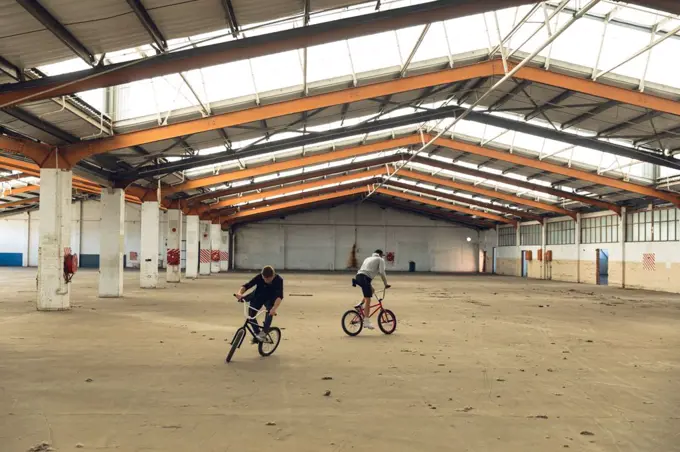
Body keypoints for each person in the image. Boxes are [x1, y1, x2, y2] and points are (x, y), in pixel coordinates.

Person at [235, 265, 283, 343]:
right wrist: (239, 293)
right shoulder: (259, 277)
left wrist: (274, 308)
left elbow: (279, 296)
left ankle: (264, 333)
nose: (266, 281)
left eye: (269, 279)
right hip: (258, 296)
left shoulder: (279, 280)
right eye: (265, 278)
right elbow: (247, 285)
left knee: (270, 312)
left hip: (270, 298)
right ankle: (257, 334)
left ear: (273, 275)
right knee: (251, 315)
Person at [354, 249, 391, 330]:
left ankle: (360, 304)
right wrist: (385, 284)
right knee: (368, 299)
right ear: (381, 255)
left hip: (358, 277)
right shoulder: (380, 259)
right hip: (365, 278)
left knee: (372, 290)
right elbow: (382, 272)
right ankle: (366, 322)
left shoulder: (367, 258)